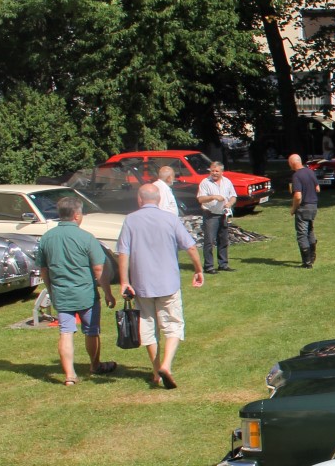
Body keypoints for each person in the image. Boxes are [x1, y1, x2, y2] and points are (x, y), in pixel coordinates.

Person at [116, 183, 204, 389]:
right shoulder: (170, 219)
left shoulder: (130, 220)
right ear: (160, 200)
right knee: (173, 324)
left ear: (139, 199)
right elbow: (190, 246)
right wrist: (198, 269)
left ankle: (157, 370)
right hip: (168, 283)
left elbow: (123, 253)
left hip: (141, 284)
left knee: (147, 326)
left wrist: (124, 281)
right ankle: (166, 364)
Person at [37, 195, 118, 385]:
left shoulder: (47, 238)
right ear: (76, 215)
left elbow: (43, 269)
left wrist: (50, 288)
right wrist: (107, 292)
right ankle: (95, 365)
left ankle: (70, 375)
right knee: (91, 331)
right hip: (86, 294)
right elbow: (99, 269)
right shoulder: (86, 238)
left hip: (61, 293)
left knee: (66, 332)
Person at [196, 161, 237, 273]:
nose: (214, 173)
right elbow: (200, 199)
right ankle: (208, 266)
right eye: (212, 171)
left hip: (223, 214)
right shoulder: (205, 182)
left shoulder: (227, 182)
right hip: (210, 215)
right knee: (209, 241)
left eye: (217, 171)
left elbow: (233, 196)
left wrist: (230, 203)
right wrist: (213, 197)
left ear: (222, 172)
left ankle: (223, 264)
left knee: (223, 240)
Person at [288, 154, 320, 268]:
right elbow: (318, 188)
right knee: (310, 230)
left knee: (302, 234)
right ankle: (312, 256)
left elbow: (297, 196)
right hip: (313, 205)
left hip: (303, 207)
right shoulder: (310, 172)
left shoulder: (296, 176)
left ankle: (307, 262)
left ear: (292, 163)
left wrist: (293, 209)